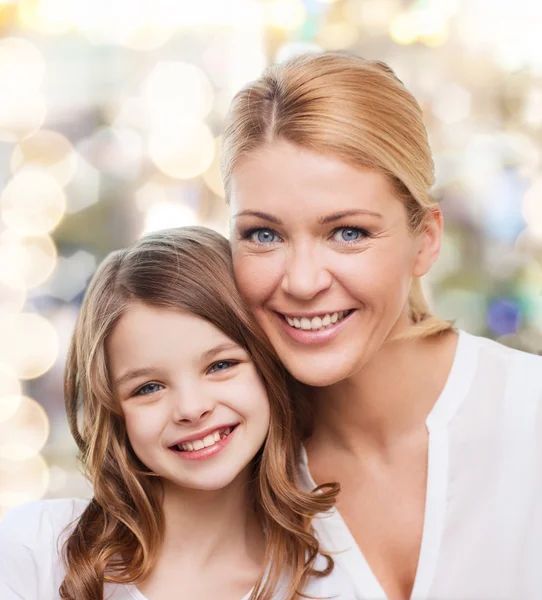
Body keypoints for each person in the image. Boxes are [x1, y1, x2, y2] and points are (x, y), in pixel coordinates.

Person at [222, 51, 542, 599]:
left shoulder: (528, 416)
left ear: (427, 239)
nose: (301, 282)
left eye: (347, 232)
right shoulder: (223, 469)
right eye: (263, 235)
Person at [0, 227, 356, 600]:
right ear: (114, 411)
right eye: (148, 388)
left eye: (220, 365)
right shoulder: (39, 551)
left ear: (268, 366)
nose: (191, 408)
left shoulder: (330, 580)